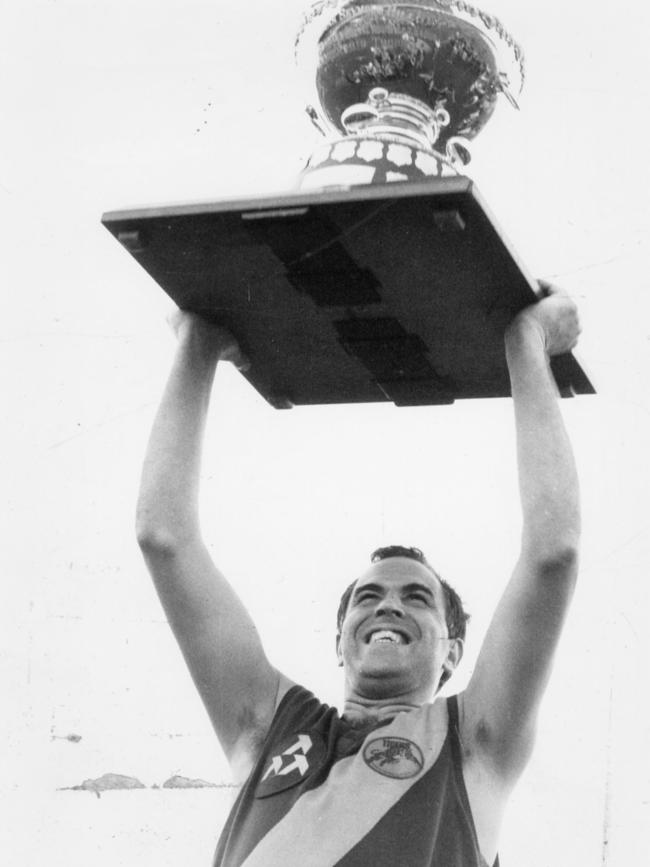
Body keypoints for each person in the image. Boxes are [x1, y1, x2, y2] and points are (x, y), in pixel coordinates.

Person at [136, 282, 581, 867]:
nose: (387, 606)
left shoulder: (472, 744)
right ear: (339, 640)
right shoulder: (270, 730)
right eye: (367, 596)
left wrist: (527, 341)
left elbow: (553, 552)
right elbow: (163, 537)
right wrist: (196, 346)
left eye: (417, 597)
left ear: (453, 654)